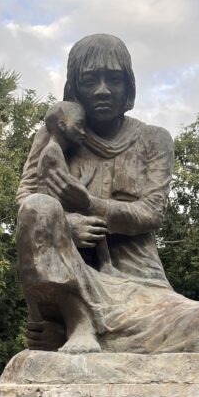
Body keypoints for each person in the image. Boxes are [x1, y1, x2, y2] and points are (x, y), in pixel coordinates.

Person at [16, 33, 199, 354]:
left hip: (142, 290)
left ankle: (79, 338)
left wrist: (89, 204)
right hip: (74, 281)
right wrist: (65, 225)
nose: (102, 90)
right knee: (37, 208)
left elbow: (151, 212)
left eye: (114, 80)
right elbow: (28, 204)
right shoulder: (56, 135)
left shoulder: (153, 139)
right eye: (90, 80)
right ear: (75, 87)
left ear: (128, 88)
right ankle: (77, 324)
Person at [37, 99, 116, 276]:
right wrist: (85, 181)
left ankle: (102, 266)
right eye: (79, 126)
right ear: (63, 125)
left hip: (58, 209)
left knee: (92, 221)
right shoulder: (52, 150)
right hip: (54, 213)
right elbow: (67, 187)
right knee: (96, 222)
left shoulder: (57, 152)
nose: (83, 132)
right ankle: (106, 266)